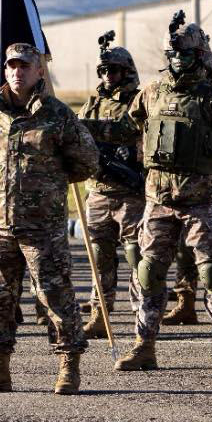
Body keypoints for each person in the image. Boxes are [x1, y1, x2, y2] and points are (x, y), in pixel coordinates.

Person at [114, 12, 212, 373]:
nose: (177, 61)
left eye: (185, 55)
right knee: (148, 271)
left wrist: (210, 159)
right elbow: (128, 128)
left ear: (199, 56)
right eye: (172, 55)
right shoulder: (151, 92)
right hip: (158, 200)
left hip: (200, 200)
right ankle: (144, 346)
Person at [0, 44, 98, 394]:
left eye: (26, 66)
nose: (18, 72)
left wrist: (46, 185)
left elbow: (86, 162)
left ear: (40, 72)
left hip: (43, 227)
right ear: (4, 71)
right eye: (12, 66)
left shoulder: (57, 115)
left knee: (55, 297)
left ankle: (68, 366)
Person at [76, 32, 145, 338]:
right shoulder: (91, 105)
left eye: (113, 71)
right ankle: (99, 313)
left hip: (131, 193)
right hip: (99, 192)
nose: (108, 76)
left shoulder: (139, 101)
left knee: (136, 254)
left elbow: (130, 131)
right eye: (103, 71)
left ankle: (142, 314)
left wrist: (88, 129)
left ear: (126, 72)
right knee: (99, 255)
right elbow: (77, 139)